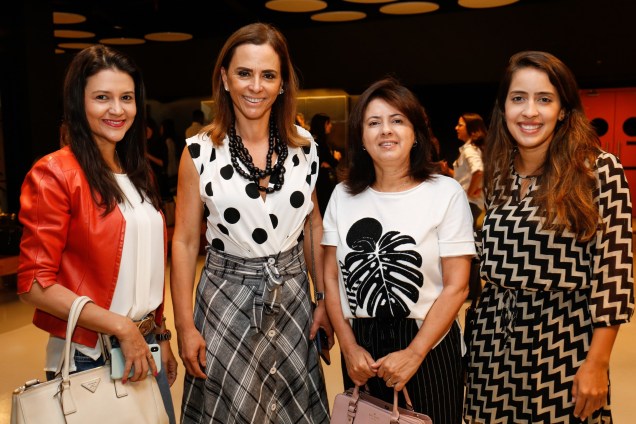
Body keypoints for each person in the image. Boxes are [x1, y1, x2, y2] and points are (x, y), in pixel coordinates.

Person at [170, 23, 332, 423]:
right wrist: (184, 325)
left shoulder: (304, 145)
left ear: (282, 84)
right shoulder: (198, 152)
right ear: (225, 79)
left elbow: (313, 227)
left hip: (293, 298)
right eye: (244, 73)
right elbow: (185, 242)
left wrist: (324, 300)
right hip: (226, 300)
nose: (255, 86)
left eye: (268, 75)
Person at [464, 51, 635, 423]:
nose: (529, 111)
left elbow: (614, 275)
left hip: (563, 346)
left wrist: (598, 363)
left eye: (544, 99)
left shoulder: (598, 170)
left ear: (562, 109)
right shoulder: (498, 174)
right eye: (518, 98)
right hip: (492, 348)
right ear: (503, 106)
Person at [16, 45, 177, 423]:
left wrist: (161, 335)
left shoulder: (139, 173)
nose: (117, 110)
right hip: (90, 352)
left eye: (126, 98)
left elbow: (146, 266)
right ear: (78, 103)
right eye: (102, 97)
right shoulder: (55, 173)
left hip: (144, 344)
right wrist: (120, 326)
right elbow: (34, 283)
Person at [322, 77, 475, 424]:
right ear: (361, 137)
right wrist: (348, 346)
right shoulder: (343, 195)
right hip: (363, 347)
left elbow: (457, 286)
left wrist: (414, 353)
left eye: (397, 121)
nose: (385, 131)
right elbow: (330, 278)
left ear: (416, 132)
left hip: (429, 342)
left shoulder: (445, 192)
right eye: (373, 123)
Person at [310, 112, 339, 216]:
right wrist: (336, 158)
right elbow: (332, 162)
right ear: (322, 125)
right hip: (321, 183)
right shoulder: (319, 143)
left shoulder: (312, 140)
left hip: (317, 183)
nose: (330, 126)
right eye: (328, 123)